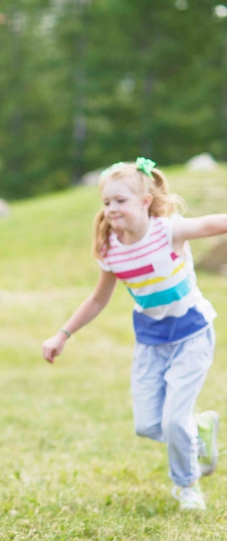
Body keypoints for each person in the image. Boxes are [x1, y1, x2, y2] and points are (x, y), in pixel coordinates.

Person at [43, 158, 221, 510]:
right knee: (148, 425)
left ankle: (187, 487)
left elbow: (211, 223)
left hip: (192, 334)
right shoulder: (111, 250)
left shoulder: (168, 230)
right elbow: (97, 299)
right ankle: (197, 434)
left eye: (120, 201)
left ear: (144, 201)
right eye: (106, 202)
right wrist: (62, 334)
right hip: (151, 341)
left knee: (172, 422)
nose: (111, 208)